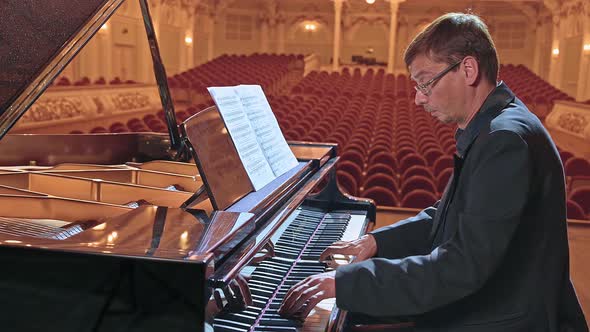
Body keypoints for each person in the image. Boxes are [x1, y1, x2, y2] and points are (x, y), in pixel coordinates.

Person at [278, 12, 588, 331]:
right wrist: (374, 242)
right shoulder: (492, 128)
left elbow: (460, 267)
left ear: (468, 69)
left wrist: (344, 283)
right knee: (347, 313)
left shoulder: (504, 139)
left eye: (425, 82)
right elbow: (447, 216)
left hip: (500, 320)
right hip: (486, 305)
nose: (418, 98)